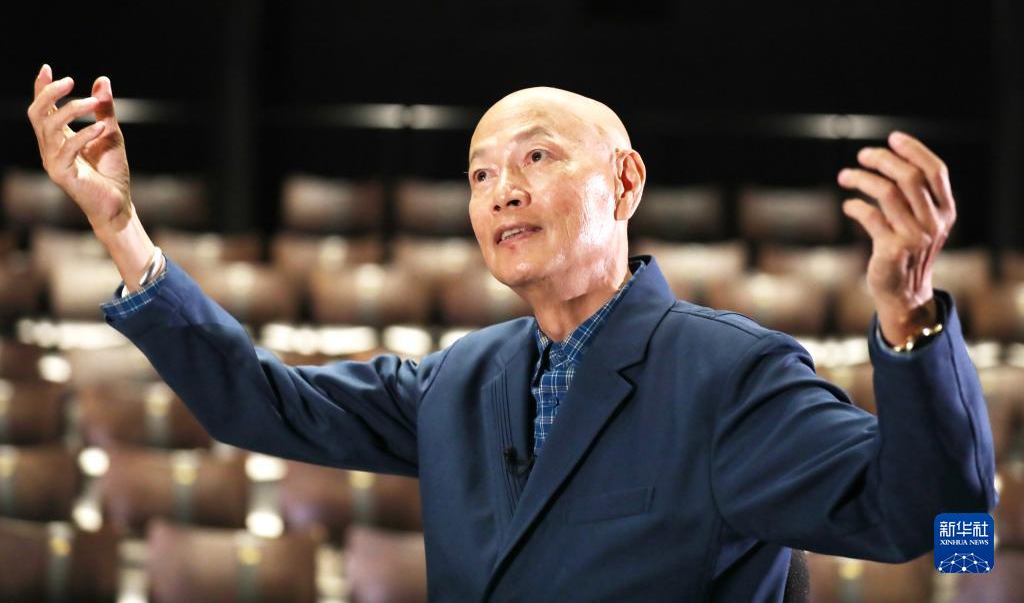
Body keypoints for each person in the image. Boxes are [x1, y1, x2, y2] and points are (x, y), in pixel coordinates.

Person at [26, 65, 995, 602]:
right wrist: (123, 232)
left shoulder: (730, 374)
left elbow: (944, 530)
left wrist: (910, 315)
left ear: (625, 182)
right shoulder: (462, 377)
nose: (502, 191)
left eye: (537, 158)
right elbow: (257, 404)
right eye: (481, 174)